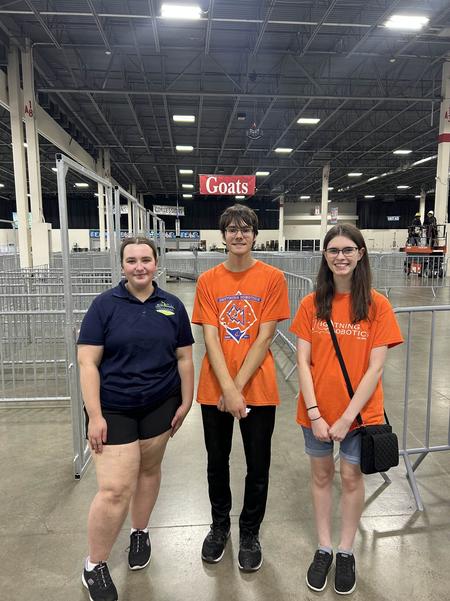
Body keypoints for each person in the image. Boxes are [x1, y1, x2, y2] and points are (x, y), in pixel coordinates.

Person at [77, 236, 194, 601]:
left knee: (148, 470)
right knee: (114, 489)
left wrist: (186, 400)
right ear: (122, 266)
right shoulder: (104, 306)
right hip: (114, 407)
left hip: (160, 404)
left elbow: (184, 358)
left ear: (156, 263)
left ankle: (139, 531)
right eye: (132, 260)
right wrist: (95, 415)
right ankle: (94, 564)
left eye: (146, 259)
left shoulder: (172, 306)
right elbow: (87, 362)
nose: (139, 266)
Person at [290, 224, 403, 595]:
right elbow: (303, 361)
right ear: (325, 256)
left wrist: (345, 418)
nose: (340, 257)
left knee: (352, 478)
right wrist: (316, 413)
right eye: (333, 250)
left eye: (347, 250)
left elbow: (376, 368)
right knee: (322, 476)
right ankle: (324, 547)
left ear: (360, 254)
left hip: (360, 416)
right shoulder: (311, 304)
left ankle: (346, 551)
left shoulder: (377, 306)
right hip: (316, 413)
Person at [192, 204, 290, 572]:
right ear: (223, 236)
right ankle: (220, 526)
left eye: (245, 229)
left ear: (255, 235)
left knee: (258, 465)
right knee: (216, 463)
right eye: (232, 229)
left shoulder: (272, 278)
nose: (238, 235)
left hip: (258, 388)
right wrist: (228, 389)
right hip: (213, 389)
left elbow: (265, 337)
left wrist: (236, 388)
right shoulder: (208, 281)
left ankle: (250, 531)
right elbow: (211, 338)